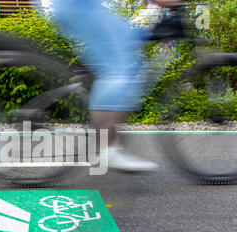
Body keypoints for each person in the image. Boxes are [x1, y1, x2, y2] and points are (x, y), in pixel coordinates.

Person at [51, 0, 183, 172]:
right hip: (77, 6)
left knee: (129, 37)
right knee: (119, 71)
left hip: (81, 6)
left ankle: (91, 86)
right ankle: (109, 149)